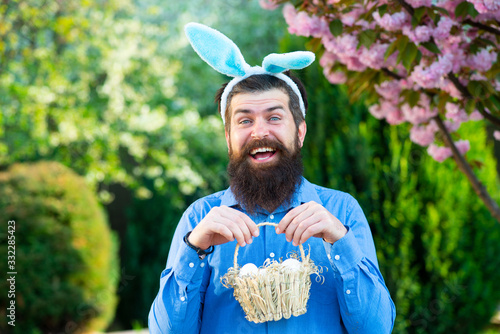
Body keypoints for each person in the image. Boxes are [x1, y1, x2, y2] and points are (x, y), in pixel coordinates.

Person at [148, 23, 395, 334]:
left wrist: (339, 238)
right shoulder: (198, 219)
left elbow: (376, 329)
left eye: (274, 117)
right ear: (228, 138)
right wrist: (194, 247)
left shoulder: (342, 211)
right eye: (245, 120)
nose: (260, 131)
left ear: (300, 132)